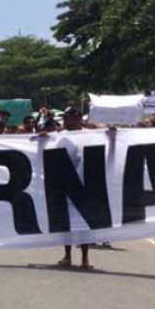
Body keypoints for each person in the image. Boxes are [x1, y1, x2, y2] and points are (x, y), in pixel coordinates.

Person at [56, 106, 94, 269]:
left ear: (77, 118)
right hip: (67, 184)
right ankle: (67, 255)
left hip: (86, 184)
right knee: (67, 223)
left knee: (84, 224)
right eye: (64, 117)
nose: (65, 120)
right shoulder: (60, 137)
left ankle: (85, 258)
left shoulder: (91, 135)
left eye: (67, 117)